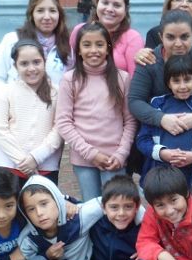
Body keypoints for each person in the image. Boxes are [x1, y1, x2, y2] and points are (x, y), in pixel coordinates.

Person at [56, 22, 137, 201]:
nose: (94, 50)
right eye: (87, 45)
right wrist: (91, 154)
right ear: (78, 49)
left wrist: (122, 153)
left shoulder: (122, 78)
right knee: (91, 207)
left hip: (114, 158)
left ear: (108, 48)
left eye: (99, 44)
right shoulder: (70, 80)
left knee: (116, 206)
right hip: (84, 159)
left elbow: (130, 120)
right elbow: (63, 122)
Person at [129, 10, 192, 145]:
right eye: (170, 37)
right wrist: (162, 119)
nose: (178, 44)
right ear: (161, 36)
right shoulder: (149, 62)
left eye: (184, 37)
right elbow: (135, 101)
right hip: (157, 142)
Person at [136, 53, 192, 185]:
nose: (182, 86)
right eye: (176, 81)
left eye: (187, 80)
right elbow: (142, 140)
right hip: (159, 178)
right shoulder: (157, 105)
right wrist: (162, 153)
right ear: (168, 83)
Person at [0, 39, 62, 189]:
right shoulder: (5, 93)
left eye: (36, 62)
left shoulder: (57, 92)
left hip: (45, 167)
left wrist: (36, 157)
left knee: (42, 211)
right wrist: (23, 161)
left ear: (45, 61)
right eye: (24, 63)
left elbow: (59, 129)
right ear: (15, 66)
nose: (31, 68)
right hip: (9, 165)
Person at [0, 0, 71, 96]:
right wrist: (9, 98)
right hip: (18, 110)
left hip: (55, 109)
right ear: (31, 14)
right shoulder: (13, 40)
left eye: (52, 11)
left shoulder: (68, 44)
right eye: (40, 11)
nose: (47, 17)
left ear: (59, 14)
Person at [70, 0, 144, 77]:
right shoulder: (79, 31)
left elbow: (135, 80)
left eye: (116, 5)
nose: (109, 9)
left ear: (126, 9)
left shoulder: (133, 38)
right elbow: (71, 67)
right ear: (97, 3)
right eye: (105, 3)